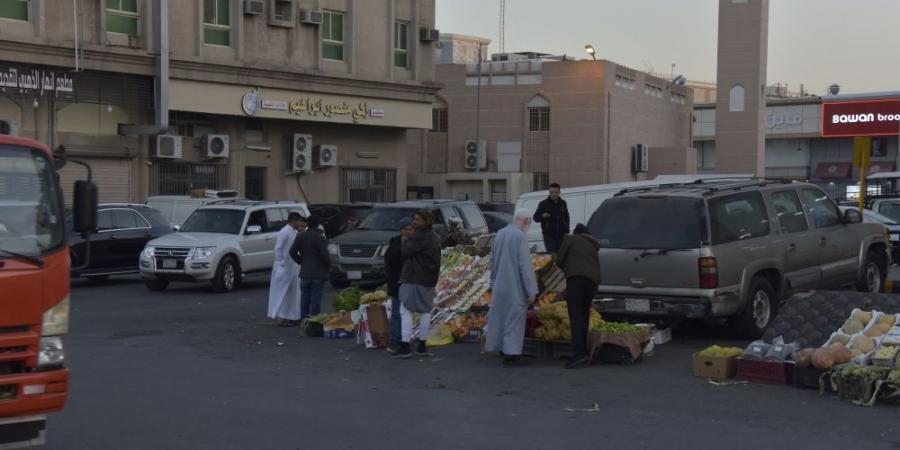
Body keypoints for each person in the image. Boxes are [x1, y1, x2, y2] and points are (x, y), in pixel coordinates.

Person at [486, 209, 539, 365]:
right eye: (528, 222)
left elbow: (492, 261)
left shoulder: (500, 234)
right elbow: (525, 265)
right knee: (514, 319)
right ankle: (512, 352)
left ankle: (502, 348)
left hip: (500, 284)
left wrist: (492, 283)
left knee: (501, 317)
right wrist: (531, 290)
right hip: (515, 286)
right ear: (525, 220)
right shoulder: (520, 236)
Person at [392, 210, 442, 359]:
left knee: (405, 310)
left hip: (414, 278)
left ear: (426, 222)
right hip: (429, 279)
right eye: (415, 219)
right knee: (425, 311)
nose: (414, 222)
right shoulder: (434, 236)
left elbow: (406, 252)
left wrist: (406, 239)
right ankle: (422, 344)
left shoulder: (420, 237)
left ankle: (405, 345)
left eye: (418, 220)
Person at [556, 223, 602, 369]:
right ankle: (586, 351)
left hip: (576, 280)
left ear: (576, 233)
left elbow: (559, 260)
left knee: (575, 316)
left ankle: (578, 354)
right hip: (593, 283)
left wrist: (566, 267)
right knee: (583, 315)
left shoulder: (570, 239)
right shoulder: (593, 245)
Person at [267, 213, 306, 326]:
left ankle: (293, 316)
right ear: (294, 220)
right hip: (284, 267)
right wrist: (281, 263)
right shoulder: (284, 232)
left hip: (293, 267)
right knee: (282, 293)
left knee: (293, 293)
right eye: (299, 221)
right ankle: (282, 317)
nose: (300, 223)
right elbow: (278, 249)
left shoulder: (293, 232)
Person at [290, 215, 330, 320]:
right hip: (318, 273)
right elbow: (325, 255)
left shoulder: (301, 236)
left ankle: (304, 320)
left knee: (305, 298)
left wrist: (301, 262)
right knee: (315, 299)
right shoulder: (320, 237)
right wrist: (328, 266)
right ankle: (315, 321)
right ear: (318, 225)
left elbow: (292, 252)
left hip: (305, 272)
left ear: (307, 224)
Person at [385, 217, 415, 354]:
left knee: (407, 313)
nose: (408, 232)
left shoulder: (415, 244)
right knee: (397, 312)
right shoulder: (395, 243)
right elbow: (390, 260)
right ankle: (394, 341)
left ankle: (404, 339)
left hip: (410, 282)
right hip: (396, 282)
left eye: (410, 229)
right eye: (405, 229)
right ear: (401, 231)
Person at [533, 183, 570, 253]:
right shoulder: (543, 204)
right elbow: (535, 218)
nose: (553, 194)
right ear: (549, 192)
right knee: (552, 256)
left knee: (562, 256)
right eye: (551, 192)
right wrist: (542, 216)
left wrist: (567, 231)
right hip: (549, 236)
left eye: (555, 192)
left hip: (561, 236)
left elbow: (567, 217)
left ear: (559, 193)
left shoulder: (563, 203)